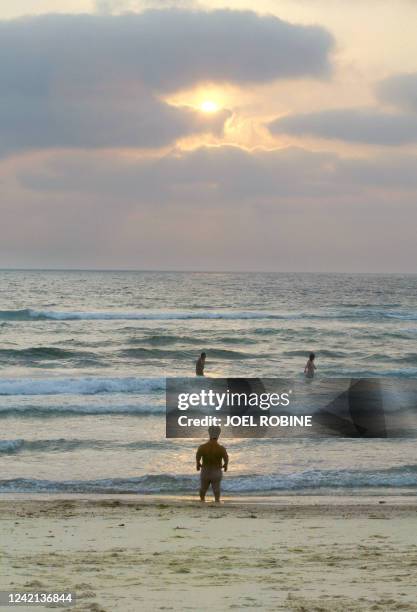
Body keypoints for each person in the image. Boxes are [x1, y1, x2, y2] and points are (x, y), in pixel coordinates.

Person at [196, 426, 228, 502]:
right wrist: (225, 465)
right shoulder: (221, 448)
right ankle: (217, 501)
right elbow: (226, 458)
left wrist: (198, 464)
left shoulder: (202, 447)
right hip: (216, 471)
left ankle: (202, 500)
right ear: (218, 435)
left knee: (203, 488)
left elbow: (198, 456)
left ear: (209, 434)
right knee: (216, 489)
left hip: (205, 471)